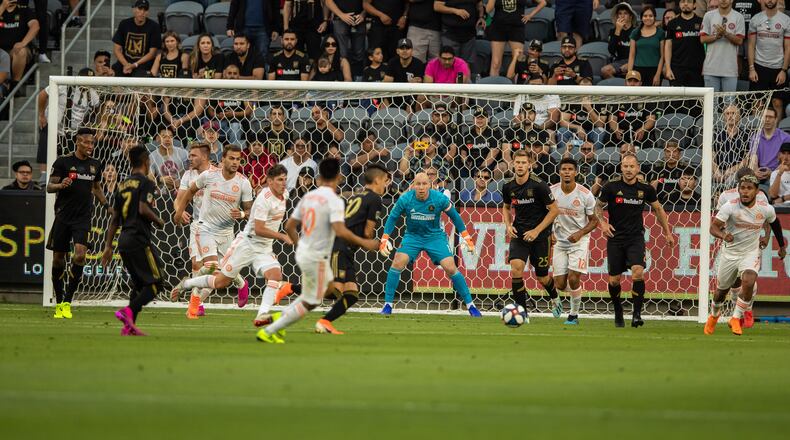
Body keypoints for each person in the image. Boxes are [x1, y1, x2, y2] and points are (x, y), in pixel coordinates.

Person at [256, 158, 379, 343]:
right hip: (317, 255)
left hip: (305, 252)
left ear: (319, 177)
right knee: (312, 300)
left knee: (324, 292)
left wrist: (300, 245)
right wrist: (365, 242)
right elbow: (340, 230)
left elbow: (290, 226)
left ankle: (279, 318)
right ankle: (271, 330)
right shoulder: (335, 201)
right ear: (339, 177)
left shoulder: (309, 197)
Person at [378, 172, 481, 316]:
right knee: (397, 263)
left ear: (430, 185)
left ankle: (471, 306)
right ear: (413, 185)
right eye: (418, 184)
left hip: (435, 237)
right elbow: (392, 217)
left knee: (451, 267)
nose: (421, 187)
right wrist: (384, 238)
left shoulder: (439, 199)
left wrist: (466, 237)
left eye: (424, 184)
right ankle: (387, 305)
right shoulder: (405, 199)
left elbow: (455, 217)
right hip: (412, 237)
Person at [172, 145, 254, 318]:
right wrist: (179, 212)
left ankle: (240, 283)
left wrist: (241, 213)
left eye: (238, 159)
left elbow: (249, 211)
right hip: (205, 228)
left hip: (226, 232)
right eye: (231, 158)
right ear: (222, 159)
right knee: (210, 268)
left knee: (225, 273)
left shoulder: (243, 182)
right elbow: (190, 192)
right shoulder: (208, 176)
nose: (235, 162)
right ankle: (194, 301)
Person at [595, 154, 675, 328]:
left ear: (638, 168)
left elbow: (658, 209)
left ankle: (637, 315)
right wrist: (602, 223)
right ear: (621, 168)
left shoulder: (645, 189)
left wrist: (667, 233)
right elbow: (597, 206)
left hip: (636, 238)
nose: (629, 170)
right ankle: (618, 310)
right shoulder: (611, 187)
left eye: (632, 166)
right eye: (625, 166)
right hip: (615, 238)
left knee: (638, 272)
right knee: (614, 280)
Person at [314, 164, 390, 333]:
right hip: (340, 246)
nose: (387, 185)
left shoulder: (358, 195)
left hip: (345, 248)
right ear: (377, 180)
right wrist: (378, 244)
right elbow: (368, 232)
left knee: (352, 294)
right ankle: (290, 288)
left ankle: (324, 322)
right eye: (385, 181)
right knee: (335, 291)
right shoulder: (375, 199)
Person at [100, 146, 165, 336]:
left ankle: (129, 326)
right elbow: (143, 208)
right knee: (156, 283)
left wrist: (107, 247)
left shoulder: (123, 184)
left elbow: (114, 218)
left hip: (124, 240)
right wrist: (158, 220)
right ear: (146, 161)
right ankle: (127, 311)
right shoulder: (146, 183)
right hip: (138, 238)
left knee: (138, 284)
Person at [46, 128, 109, 319]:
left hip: (83, 218)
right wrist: (60, 185)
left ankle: (67, 301)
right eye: (87, 142)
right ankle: (58, 303)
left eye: (92, 143)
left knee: (80, 255)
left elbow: (96, 187)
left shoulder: (95, 165)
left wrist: (107, 206)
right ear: (77, 141)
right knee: (58, 259)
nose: (90, 146)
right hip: (64, 216)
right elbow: (49, 186)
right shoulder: (63, 162)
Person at [705, 175, 777, 336]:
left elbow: (772, 222)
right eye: (742, 188)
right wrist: (723, 235)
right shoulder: (729, 207)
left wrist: (773, 240)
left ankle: (736, 318)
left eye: (749, 188)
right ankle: (714, 316)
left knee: (749, 280)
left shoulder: (764, 207)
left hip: (750, 252)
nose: (745, 191)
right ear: (738, 190)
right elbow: (713, 227)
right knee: (720, 292)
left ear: (757, 191)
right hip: (730, 254)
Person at [501, 150, 560, 321]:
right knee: (516, 269)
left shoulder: (539, 185)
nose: (520, 166)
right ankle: (522, 312)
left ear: (530, 165)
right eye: (517, 162)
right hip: (520, 234)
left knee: (542, 277)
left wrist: (537, 231)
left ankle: (555, 298)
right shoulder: (508, 186)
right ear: (513, 164)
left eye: (523, 163)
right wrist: (508, 224)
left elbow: (555, 210)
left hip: (540, 236)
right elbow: (505, 207)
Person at [550, 158, 598, 325]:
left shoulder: (585, 194)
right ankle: (575, 295)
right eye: (564, 169)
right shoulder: (552, 192)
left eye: (570, 169)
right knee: (560, 284)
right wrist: (550, 234)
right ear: (559, 172)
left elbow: (594, 221)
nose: (567, 172)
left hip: (579, 241)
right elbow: (545, 216)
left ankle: (574, 315)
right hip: (559, 243)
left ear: (576, 172)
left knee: (573, 277)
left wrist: (580, 233)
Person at [174, 142, 215, 317]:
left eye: (193, 155)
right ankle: (197, 304)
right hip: (198, 224)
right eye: (189, 155)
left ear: (205, 157)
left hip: (217, 227)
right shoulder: (188, 175)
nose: (189, 158)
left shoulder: (216, 174)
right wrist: (179, 211)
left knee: (215, 270)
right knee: (196, 265)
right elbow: (179, 199)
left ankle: (194, 298)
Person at [747, 0, 790, 120]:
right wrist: (751, 68)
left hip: (778, 68)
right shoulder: (755, 19)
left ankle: (775, 134)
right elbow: (750, 45)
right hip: (759, 67)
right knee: (758, 104)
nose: (770, 0)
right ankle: (756, 134)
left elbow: (788, 47)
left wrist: (784, 70)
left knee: (777, 103)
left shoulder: (786, 20)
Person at [485, 0, 544, 77]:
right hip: (498, 27)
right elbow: (488, 10)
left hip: (516, 28)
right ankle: (493, 87)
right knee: (495, 63)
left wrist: (530, 15)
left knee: (518, 61)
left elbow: (543, 2)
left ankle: (517, 87)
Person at [700, 0, 745, 92]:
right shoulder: (708, 15)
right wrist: (716, 36)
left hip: (730, 70)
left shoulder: (738, 17)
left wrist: (725, 34)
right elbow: (702, 39)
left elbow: (740, 41)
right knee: (711, 104)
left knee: (729, 105)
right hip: (711, 69)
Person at [434, 0, 484, 77]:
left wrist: (481, 17)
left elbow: (479, 5)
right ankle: (450, 88)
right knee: (449, 63)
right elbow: (437, 6)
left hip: (469, 34)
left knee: (466, 65)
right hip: (450, 33)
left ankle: (463, 87)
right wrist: (455, 11)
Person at [607, 70, 657, 147]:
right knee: (610, 136)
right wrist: (616, 129)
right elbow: (612, 119)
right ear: (625, 83)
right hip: (622, 131)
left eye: (635, 81)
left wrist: (642, 129)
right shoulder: (618, 99)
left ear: (640, 83)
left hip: (639, 131)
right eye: (630, 81)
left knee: (646, 136)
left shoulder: (647, 99)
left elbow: (651, 120)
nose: (632, 84)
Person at [111, 0, 160, 77]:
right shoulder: (124, 24)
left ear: (148, 12)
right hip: (124, 63)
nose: (142, 12)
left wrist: (135, 65)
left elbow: (152, 53)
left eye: (145, 10)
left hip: (143, 65)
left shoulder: (154, 27)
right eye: (140, 9)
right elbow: (116, 49)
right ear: (134, 9)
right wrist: (126, 64)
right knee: (112, 73)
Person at [664, 0, 705, 87]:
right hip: (677, 68)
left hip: (697, 69)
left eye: (689, 1)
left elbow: (707, 46)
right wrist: (668, 68)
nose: (685, 4)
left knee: (695, 100)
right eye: (683, 1)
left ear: (694, 5)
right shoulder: (672, 23)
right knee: (677, 100)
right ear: (679, 4)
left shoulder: (702, 22)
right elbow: (668, 46)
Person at [0, 0, 39, 91]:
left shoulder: (24, 10)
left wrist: (23, 43)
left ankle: (15, 84)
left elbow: (35, 26)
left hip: (15, 51)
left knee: (20, 51)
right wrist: (2, 7)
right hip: (1, 52)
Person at [748, 107, 790, 183]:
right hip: (759, 172)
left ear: (776, 119)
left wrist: (772, 173)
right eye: (765, 117)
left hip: (778, 172)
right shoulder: (755, 137)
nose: (767, 120)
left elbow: (786, 161)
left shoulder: (785, 137)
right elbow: (754, 158)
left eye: (770, 117)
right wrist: (756, 172)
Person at [326, 0, 367, 76]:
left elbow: (369, 2)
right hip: (340, 19)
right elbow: (328, 1)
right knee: (342, 54)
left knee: (359, 54)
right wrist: (341, 15)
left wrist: (363, 14)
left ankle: (358, 81)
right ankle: (342, 80)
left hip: (359, 19)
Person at [627, 5, 665, 86]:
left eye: (650, 16)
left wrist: (658, 75)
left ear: (654, 17)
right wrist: (629, 75)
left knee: (653, 98)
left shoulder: (660, 33)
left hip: (655, 71)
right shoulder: (635, 32)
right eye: (645, 16)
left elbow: (662, 56)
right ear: (641, 18)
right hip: (637, 71)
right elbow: (632, 55)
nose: (648, 18)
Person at [602, 2, 636, 79]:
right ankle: (619, 89)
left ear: (630, 16)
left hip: (636, 61)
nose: (622, 16)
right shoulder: (613, 31)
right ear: (617, 16)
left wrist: (629, 64)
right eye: (620, 13)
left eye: (625, 13)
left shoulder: (637, 31)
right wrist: (617, 31)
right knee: (605, 71)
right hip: (619, 61)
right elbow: (611, 51)